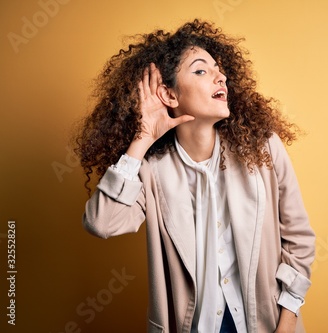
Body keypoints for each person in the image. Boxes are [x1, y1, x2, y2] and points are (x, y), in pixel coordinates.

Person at [73, 19, 315, 333]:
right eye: (201, 70)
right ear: (168, 94)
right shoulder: (150, 171)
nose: (220, 76)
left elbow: (299, 239)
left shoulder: (263, 148)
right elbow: (101, 223)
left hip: (267, 324)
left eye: (218, 69)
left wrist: (287, 322)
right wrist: (143, 137)